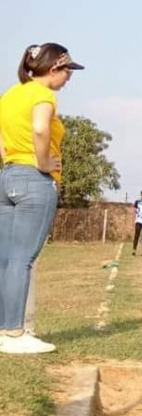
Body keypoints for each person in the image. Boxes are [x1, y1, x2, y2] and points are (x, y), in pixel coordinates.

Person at [0, 44, 85, 353]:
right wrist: (43, 163)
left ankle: (4, 329)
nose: (68, 78)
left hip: (7, 176)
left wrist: (10, 164)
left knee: (6, 259)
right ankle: (14, 333)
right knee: (23, 259)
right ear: (53, 69)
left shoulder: (9, 96)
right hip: (34, 182)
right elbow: (39, 129)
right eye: (67, 72)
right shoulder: (44, 95)